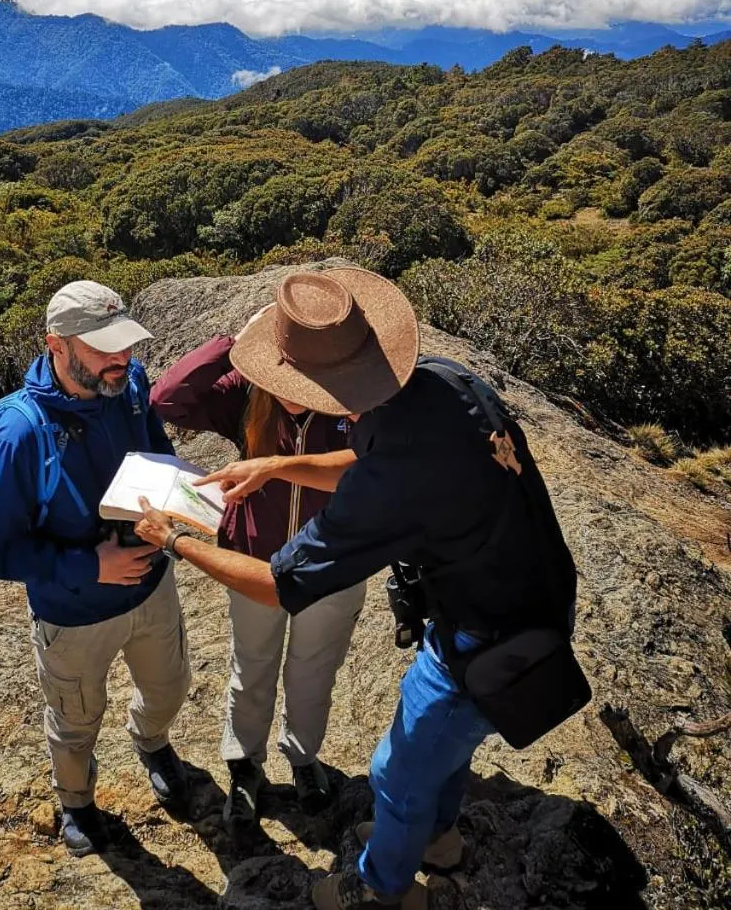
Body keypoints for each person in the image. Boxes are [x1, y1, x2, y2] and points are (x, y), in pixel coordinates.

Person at [134, 267, 579, 909]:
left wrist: (175, 539)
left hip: (481, 636)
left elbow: (279, 584)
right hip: (536, 594)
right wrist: (281, 464)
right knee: (449, 753)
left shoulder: (391, 481)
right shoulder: (445, 380)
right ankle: (438, 840)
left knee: (394, 773)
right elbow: (376, 460)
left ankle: (377, 888)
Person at [0, 280, 192, 858]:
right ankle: (76, 803)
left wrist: (179, 500)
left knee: (169, 687)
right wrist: (87, 565)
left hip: (150, 586)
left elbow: (154, 448)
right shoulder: (20, 432)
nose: (122, 359)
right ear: (58, 346)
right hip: (72, 613)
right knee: (75, 720)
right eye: (105, 349)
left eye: (126, 346)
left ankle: (152, 741)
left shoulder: (129, 385)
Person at [150, 321, 364, 829]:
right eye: (280, 371)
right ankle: (245, 764)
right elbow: (168, 399)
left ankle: (302, 757)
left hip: (332, 562)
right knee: (252, 666)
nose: (289, 390)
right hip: (253, 559)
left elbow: (372, 463)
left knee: (313, 670)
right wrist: (232, 342)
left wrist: (274, 466)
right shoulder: (247, 394)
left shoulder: (354, 399)